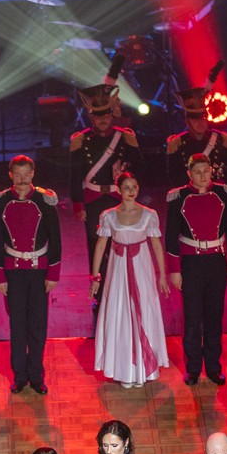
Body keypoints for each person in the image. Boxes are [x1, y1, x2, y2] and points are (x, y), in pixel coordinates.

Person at [165, 153, 227, 386]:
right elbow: (171, 236)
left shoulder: (224, 194)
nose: (202, 176)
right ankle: (193, 368)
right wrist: (174, 270)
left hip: (216, 261)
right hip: (191, 263)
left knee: (214, 317)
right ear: (189, 174)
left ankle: (214, 367)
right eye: (197, 172)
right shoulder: (178, 198)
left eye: (206, 172)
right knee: (192, 317)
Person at [89, 171, 169, 388]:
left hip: (141, 267)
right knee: (120, 311)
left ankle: (142, 368)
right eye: (126, 187)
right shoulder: (108, 215)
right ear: (118, 190)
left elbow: (156, 245)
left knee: (143, 310)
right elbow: (100, 246)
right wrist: (95, 277)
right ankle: (124, 370)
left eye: (134, 187)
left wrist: (162, 275)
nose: (131, 191)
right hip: (118, 269)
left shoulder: (149, 214)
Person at [0, 155, 61, 395]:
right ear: (11, 175)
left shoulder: (44, 200)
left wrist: (53, 273)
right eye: (17, 175)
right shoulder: (1, 201)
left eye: (26, 174)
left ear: (33, 174)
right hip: (13, 271)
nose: (22, 179)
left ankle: (36, 376)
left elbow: (55, 239)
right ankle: (19, 376)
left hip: (39, 270)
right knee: (17, 325)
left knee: (38, 325)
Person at [70, 57, 143, 291]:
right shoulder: (81, 140)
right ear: (91, 117)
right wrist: (78, 204)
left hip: (117, 198)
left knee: (121, 243)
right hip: (93, 200)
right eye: (98, 116)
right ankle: (99, 291)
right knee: (96, 245)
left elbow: (139, 168)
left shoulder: (124, 137)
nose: (102, 120)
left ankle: (121, 288)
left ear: (111, 115)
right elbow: (75, 174)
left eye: (106, 115)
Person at [166, 61, 227, 183]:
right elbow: (174, 177)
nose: (200, 122)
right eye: (195, 119)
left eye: (203, 118)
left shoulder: (223, 141)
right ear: (187, 121)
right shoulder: (177, 144)